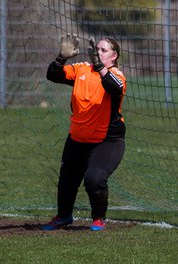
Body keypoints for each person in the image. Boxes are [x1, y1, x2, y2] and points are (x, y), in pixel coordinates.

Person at [42, 33, 127, 231]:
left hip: (106, 141)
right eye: (96, 49)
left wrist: (99, 66)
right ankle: (63, 216)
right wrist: (61, 57)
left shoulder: (117, 75)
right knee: (67, 181)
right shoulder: (81, 69)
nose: (97, 52)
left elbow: (114, 87)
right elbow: (53, 75)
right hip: (77, 138)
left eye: (103, 50)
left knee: (94, 179)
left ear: (114, 56)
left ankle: (98, 218)